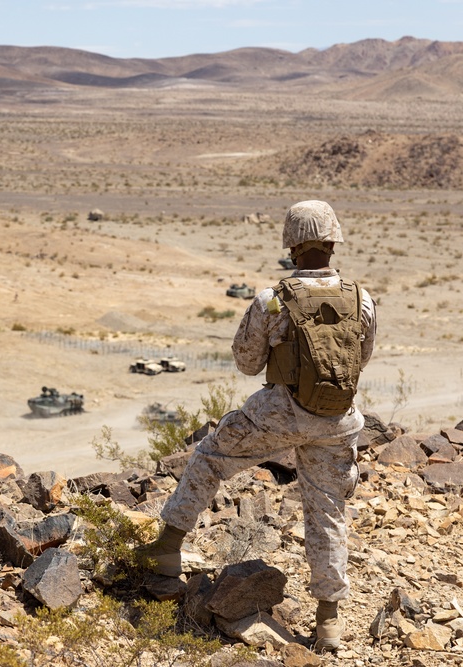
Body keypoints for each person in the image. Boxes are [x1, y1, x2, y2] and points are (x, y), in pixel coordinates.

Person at [138, 200, 376, 652]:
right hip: (337, 419)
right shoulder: (362, 298)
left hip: (279, 413)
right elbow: (360, 359)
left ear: (291, 244)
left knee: (210, 456)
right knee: (327, 511)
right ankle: (329, 622)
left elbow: (247, 363)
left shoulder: (271, 299)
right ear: (332, 241)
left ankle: (167, 551)